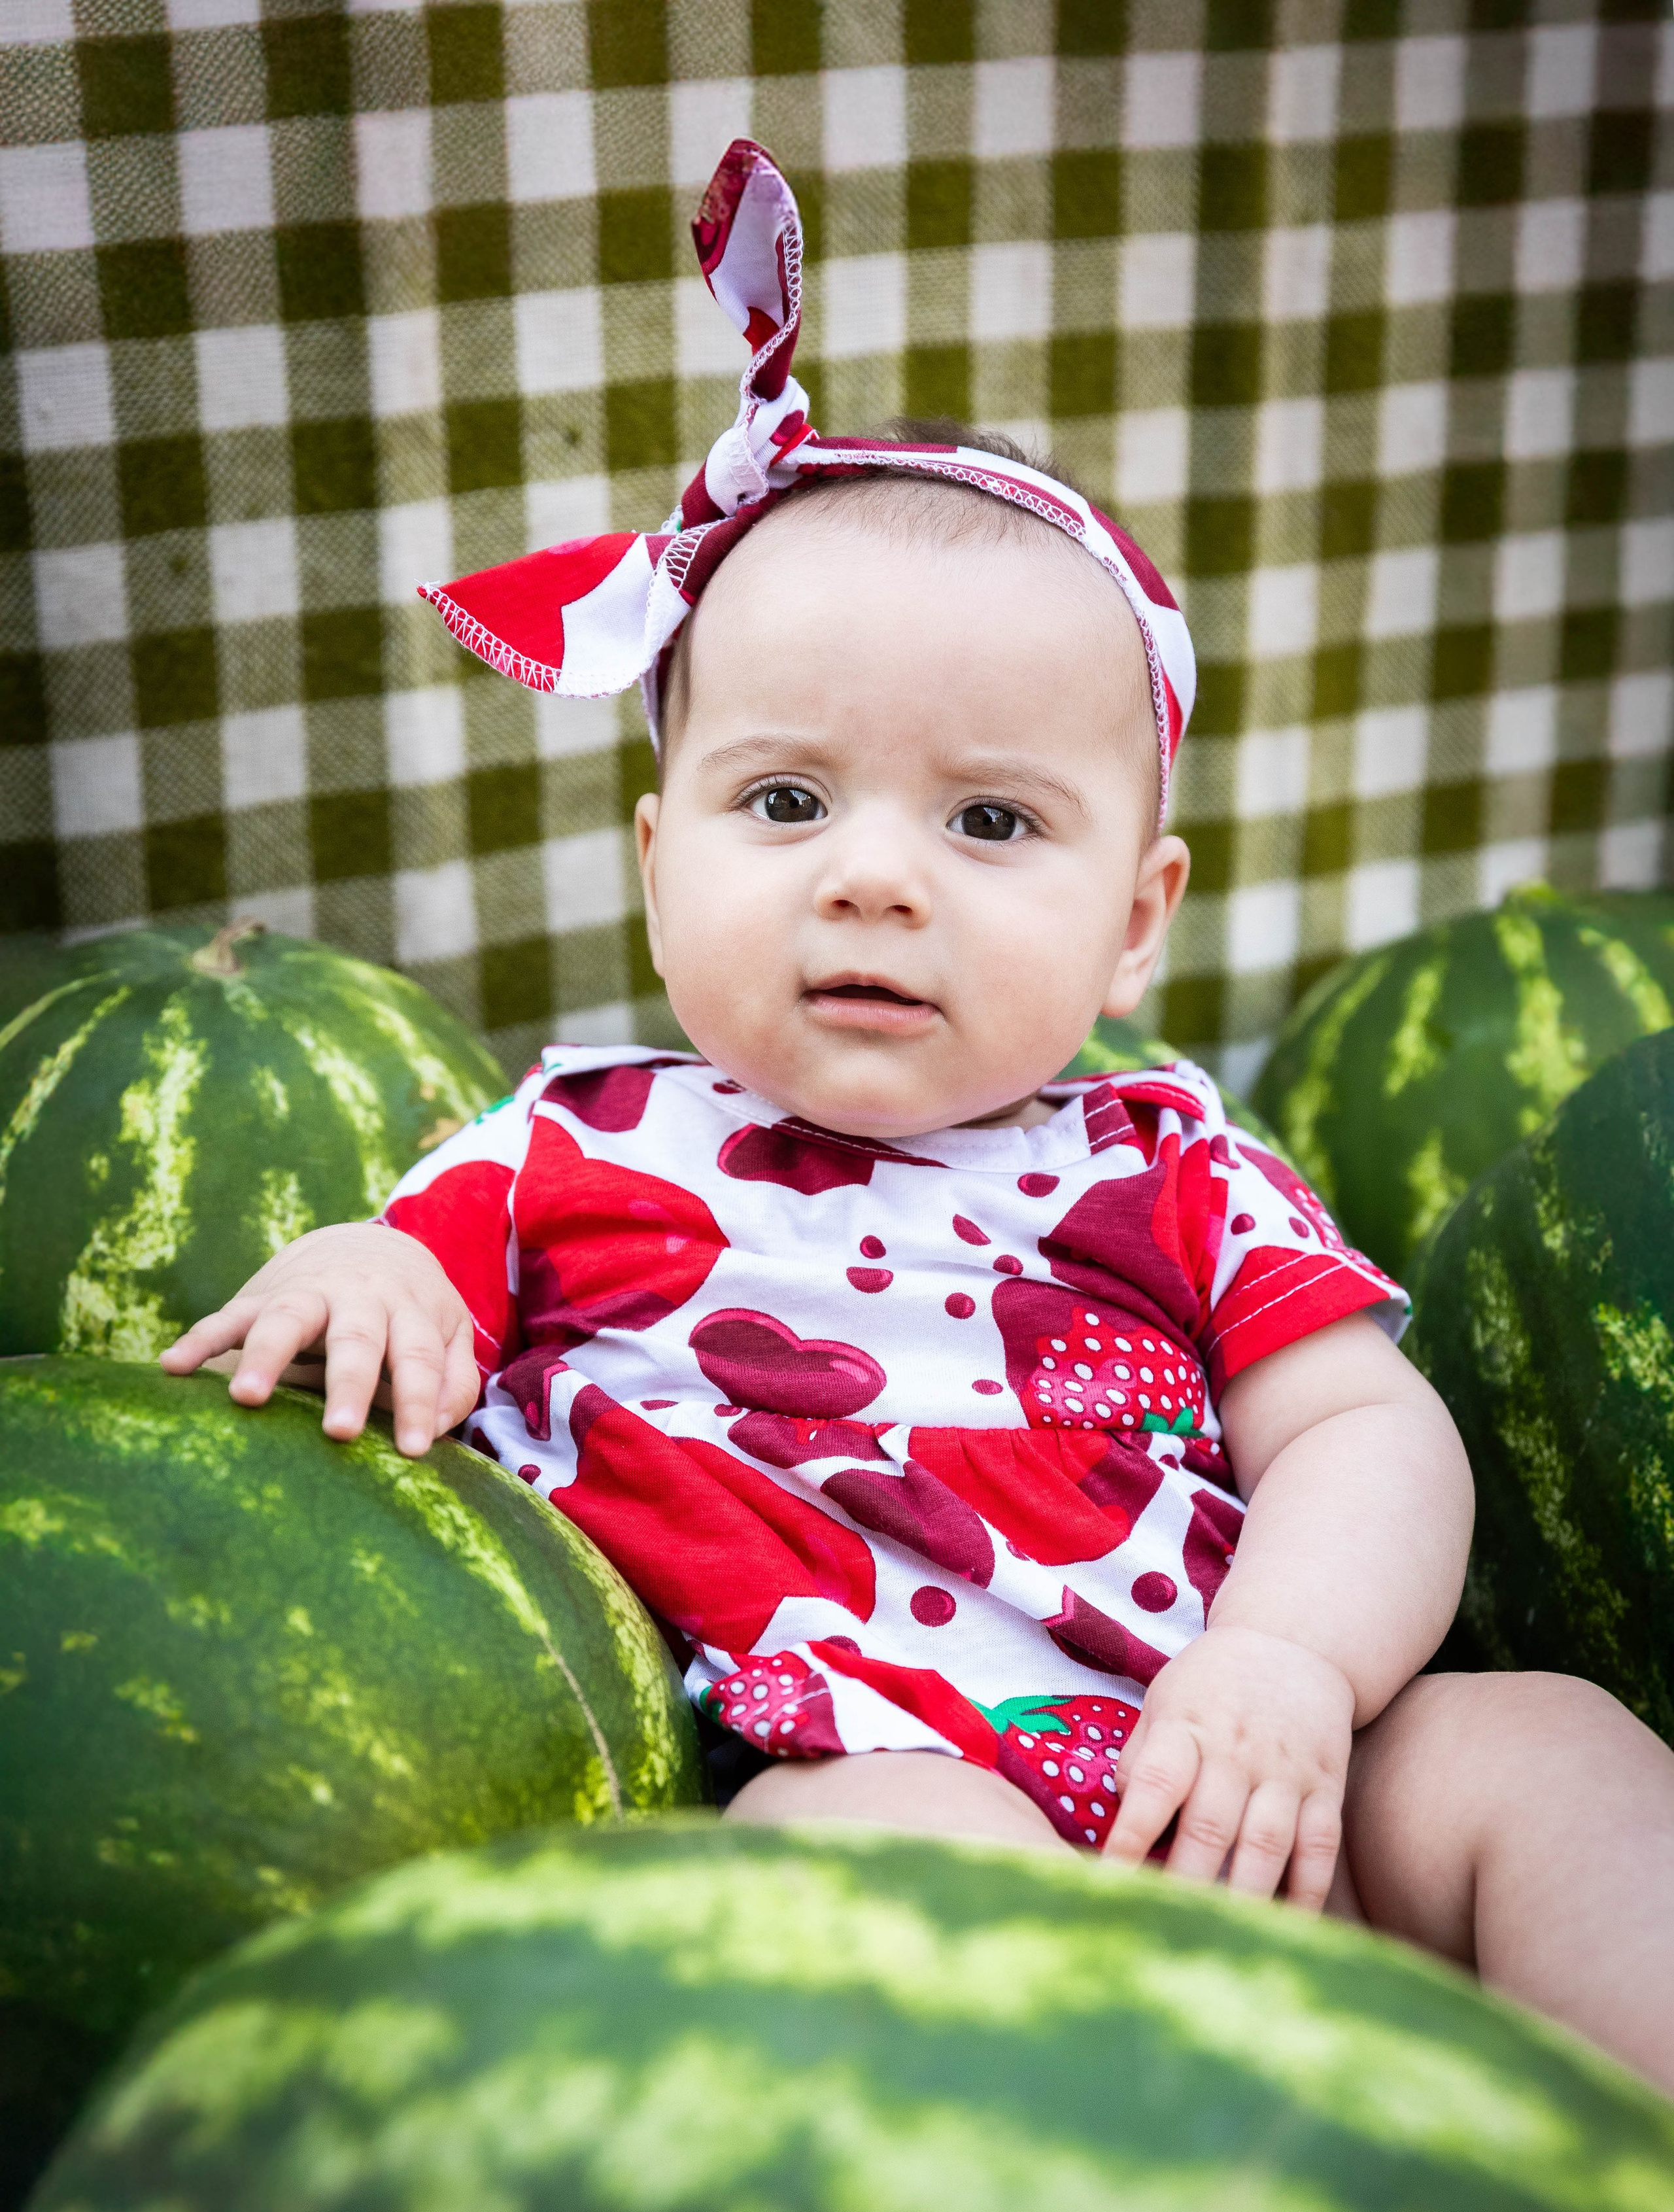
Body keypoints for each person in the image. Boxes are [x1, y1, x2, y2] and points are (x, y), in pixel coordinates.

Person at [162, 142, 1674, 2100]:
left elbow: (1371, 1436)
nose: (872, 881)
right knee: (859, 1858)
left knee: (1546, 1750)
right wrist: (368, 1270)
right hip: (876, 1785)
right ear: (657, 860)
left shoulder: (1170, 1160)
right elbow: (412, 1306)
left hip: (1249, 1782)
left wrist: (1292, 1667)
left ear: (1138, 922)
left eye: (990, 821)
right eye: (785, 802)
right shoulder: (566, 1145)